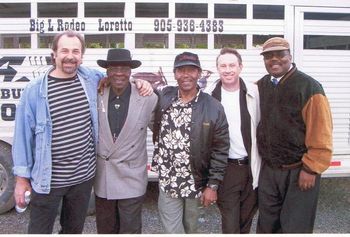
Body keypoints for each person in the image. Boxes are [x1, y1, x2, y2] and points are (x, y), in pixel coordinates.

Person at [11, 30, 152, 234]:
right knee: (39, 230)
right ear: (54, 53)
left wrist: (139, 82)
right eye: (65, 50)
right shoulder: (34, 91)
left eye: (75, 51)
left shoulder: (89, 79)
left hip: (82, 179)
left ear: (81, 55)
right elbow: (22, 136)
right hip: (48, 179)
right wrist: (21, 180)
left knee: (73, 230)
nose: (70, 56)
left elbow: (118, 76)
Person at [256, 37, 333, 233]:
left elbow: (321, 132)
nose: (274, 60)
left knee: (295, 227)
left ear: (289, 56)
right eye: (268, 56)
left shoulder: (309, 87)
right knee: (267, 225)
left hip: (299, 171)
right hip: (270, 170)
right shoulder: (262, 85)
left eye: (280, 54)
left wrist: (311, 168)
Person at [151, 51, 230, 234]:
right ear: (174, 74)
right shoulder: (165, 97)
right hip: (168, 181)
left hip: (196, 182)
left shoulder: (213, 106)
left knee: (191, 229)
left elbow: (220, 149)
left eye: (191, 70)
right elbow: (143, 94)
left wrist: (213, 185)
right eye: (181, 70)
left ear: (199, 73)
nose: (186, 75)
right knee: (173, 231)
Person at [94, 49, 157, 234]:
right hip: (103, 177)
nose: (119, 72)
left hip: (132, 177)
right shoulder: (95, 92)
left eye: (124, 68)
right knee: (105, 230)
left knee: (130, 230)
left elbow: (160, 130)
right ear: (107, 71)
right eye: (113, 68)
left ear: (131, 71)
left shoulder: (148, 97)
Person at [205, 48, 261, 233]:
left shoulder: (254, 93)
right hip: (226, 170)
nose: (227, 70)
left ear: (240, 67)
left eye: (232, 65)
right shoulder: (209, 96)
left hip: (252, 167)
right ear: (217, 68)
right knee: (230, 223)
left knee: (246, 220)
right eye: (223, 65)